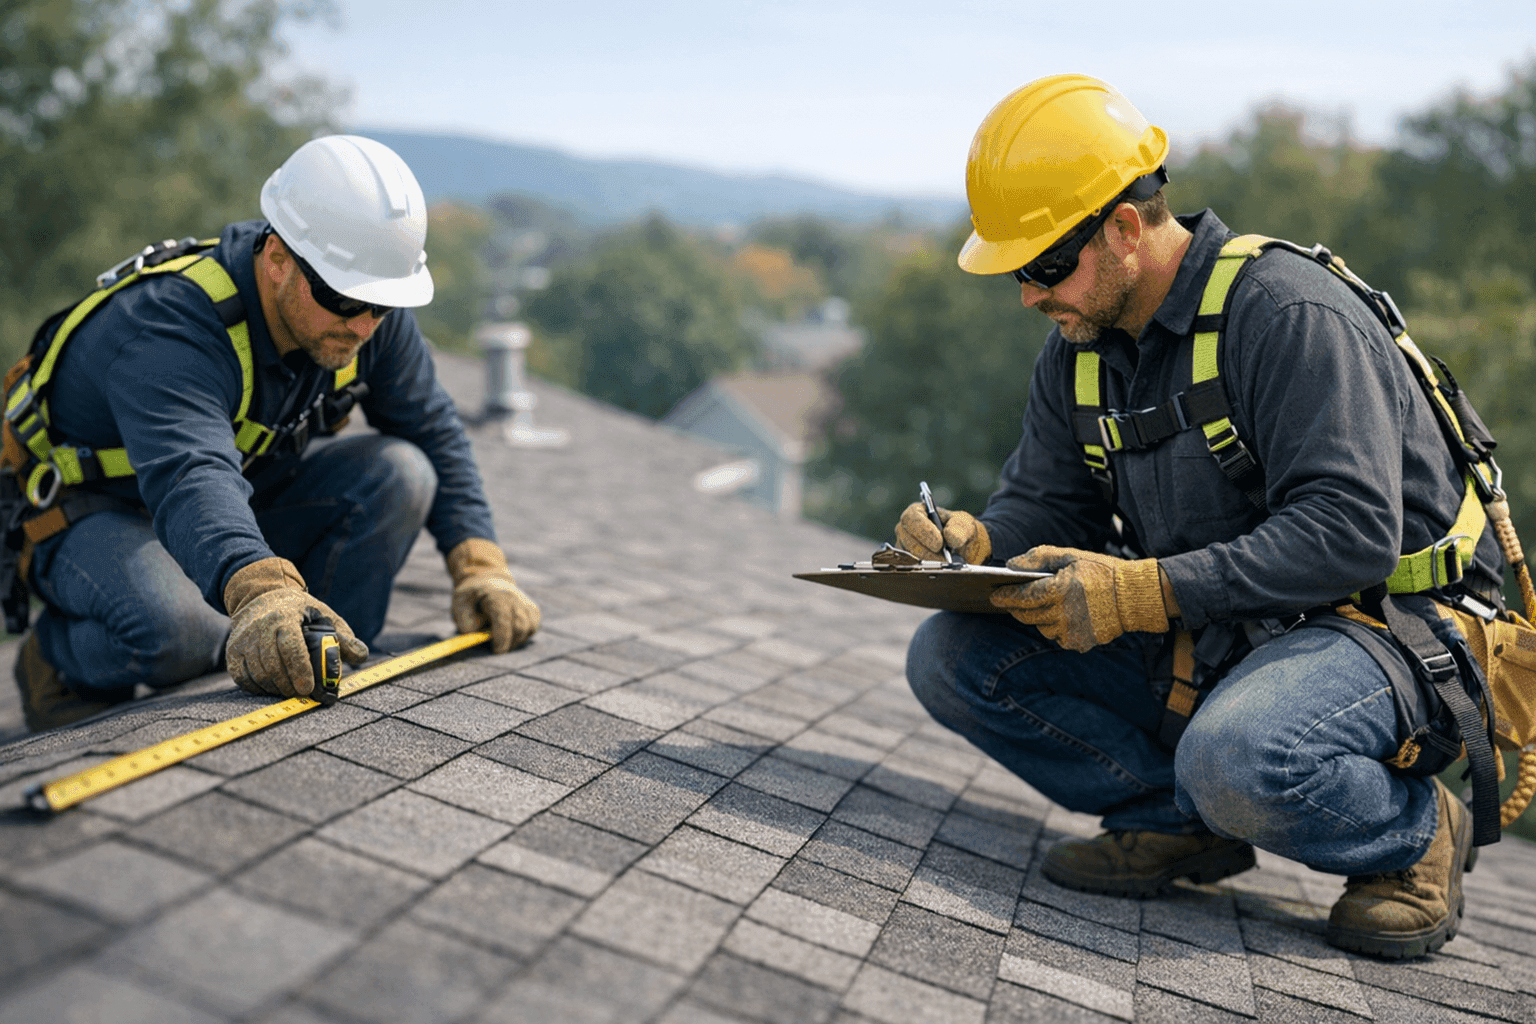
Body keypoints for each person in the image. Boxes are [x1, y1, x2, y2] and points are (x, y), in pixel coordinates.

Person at [897, 75, 1502, 960]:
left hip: (1390, 634)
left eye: (1045, 266)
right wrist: (978, 541)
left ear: (1124, 229)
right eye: (1018, 272)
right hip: (1230, 632)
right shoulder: (1079, 352)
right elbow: (1050, 503)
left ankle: (1414, 834)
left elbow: (1349, 530)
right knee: (955, 657)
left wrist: (1143, 591)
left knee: (1233, 758)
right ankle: (1174, 822)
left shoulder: (1286, 314)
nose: (1029, 294)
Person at [8, 134, 540, 732]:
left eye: (381, 304)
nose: (363, 325)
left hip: (227, 501)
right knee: (186, 631)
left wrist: (479, 562)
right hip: (93, 516)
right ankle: (57, 661)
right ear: (278, 259)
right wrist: (260, 591)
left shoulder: (366, 315)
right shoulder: (169, 327)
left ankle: (317, 650)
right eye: (343, 298)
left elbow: (434, 431)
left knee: (402, 472)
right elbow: (192, 473)